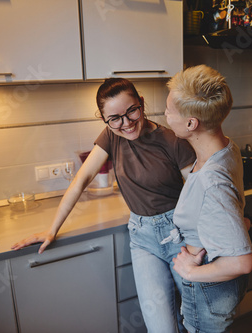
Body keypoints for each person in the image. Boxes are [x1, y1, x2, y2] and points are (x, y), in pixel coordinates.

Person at [11, 78, 196, 333]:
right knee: (162, 329)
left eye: (132, 110)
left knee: (197, 323)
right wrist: (52, 229)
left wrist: (199, 242)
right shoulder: (112, 135)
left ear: (141, 103)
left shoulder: (172, 141)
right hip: (142, 240)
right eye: (115, 118)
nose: (126, 123)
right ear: (104, 119)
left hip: (180, 235)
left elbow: (199, 194)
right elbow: (82, 180)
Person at [164, 65, 252, 333]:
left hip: (208, 286)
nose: (166, 114)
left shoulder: (211, 181)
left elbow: (242, 261)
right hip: (218, 284)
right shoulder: (226, 147)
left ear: (191, 123)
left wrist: (190, 273)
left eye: (169, 110)